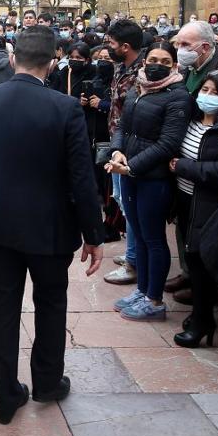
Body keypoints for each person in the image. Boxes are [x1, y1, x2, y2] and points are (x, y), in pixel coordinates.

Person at [0, 27, 104, 424]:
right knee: (51, 303)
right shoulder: (64, 107)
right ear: (52, 62)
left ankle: (6, 394)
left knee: (1, 308)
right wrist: (94, 234)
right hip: (49, 225)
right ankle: (46, 382)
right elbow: (82, 177)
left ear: (12, 59)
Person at [106, 41, 190, 322]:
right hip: (129, 173)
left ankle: (154, 300)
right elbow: (122, 126)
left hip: (152, 178)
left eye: (165, 61)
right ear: (144, 62)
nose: (157, 65)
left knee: (153, 238)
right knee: (138, 235)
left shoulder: (178, 96)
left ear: (175, 66)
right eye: (153, 59)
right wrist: (118, 151)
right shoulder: (137, 89)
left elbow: (169, 143)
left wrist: (131, 166)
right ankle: (142, 290)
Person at [170, 72, 218, 348]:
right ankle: (202, 314)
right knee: (192, 257)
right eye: (205, 89)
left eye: (215, 92)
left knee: (200, 263)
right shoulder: (190, 120)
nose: (207, 96)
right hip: (185, 200)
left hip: (210, 205)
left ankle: (202, 321)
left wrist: (181, 166)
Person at [101, 19, 145, 286]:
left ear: (126, 46)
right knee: (121, 199)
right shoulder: (120, 68)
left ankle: (134, 263)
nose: (108, 48)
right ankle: (133, 254)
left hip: (129, 149)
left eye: (112, 44)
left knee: (129, 205)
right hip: (117, 145)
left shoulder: (141, 74)